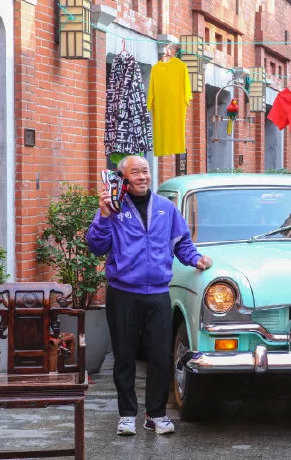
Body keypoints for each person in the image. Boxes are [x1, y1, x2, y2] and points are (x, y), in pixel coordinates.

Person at [87, 155, 212, 435]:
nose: (143, 176)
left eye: (145, 171)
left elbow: (182, 243)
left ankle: (155, 415)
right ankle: (126, 415)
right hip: (123, 293)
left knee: (159, 356)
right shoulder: (113, 208)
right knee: (124, 356)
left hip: (157, 294)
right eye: (136, 172)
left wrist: (196, 259)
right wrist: (104, 217)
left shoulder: (166, 208)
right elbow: (96, 246)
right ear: (123, 179)